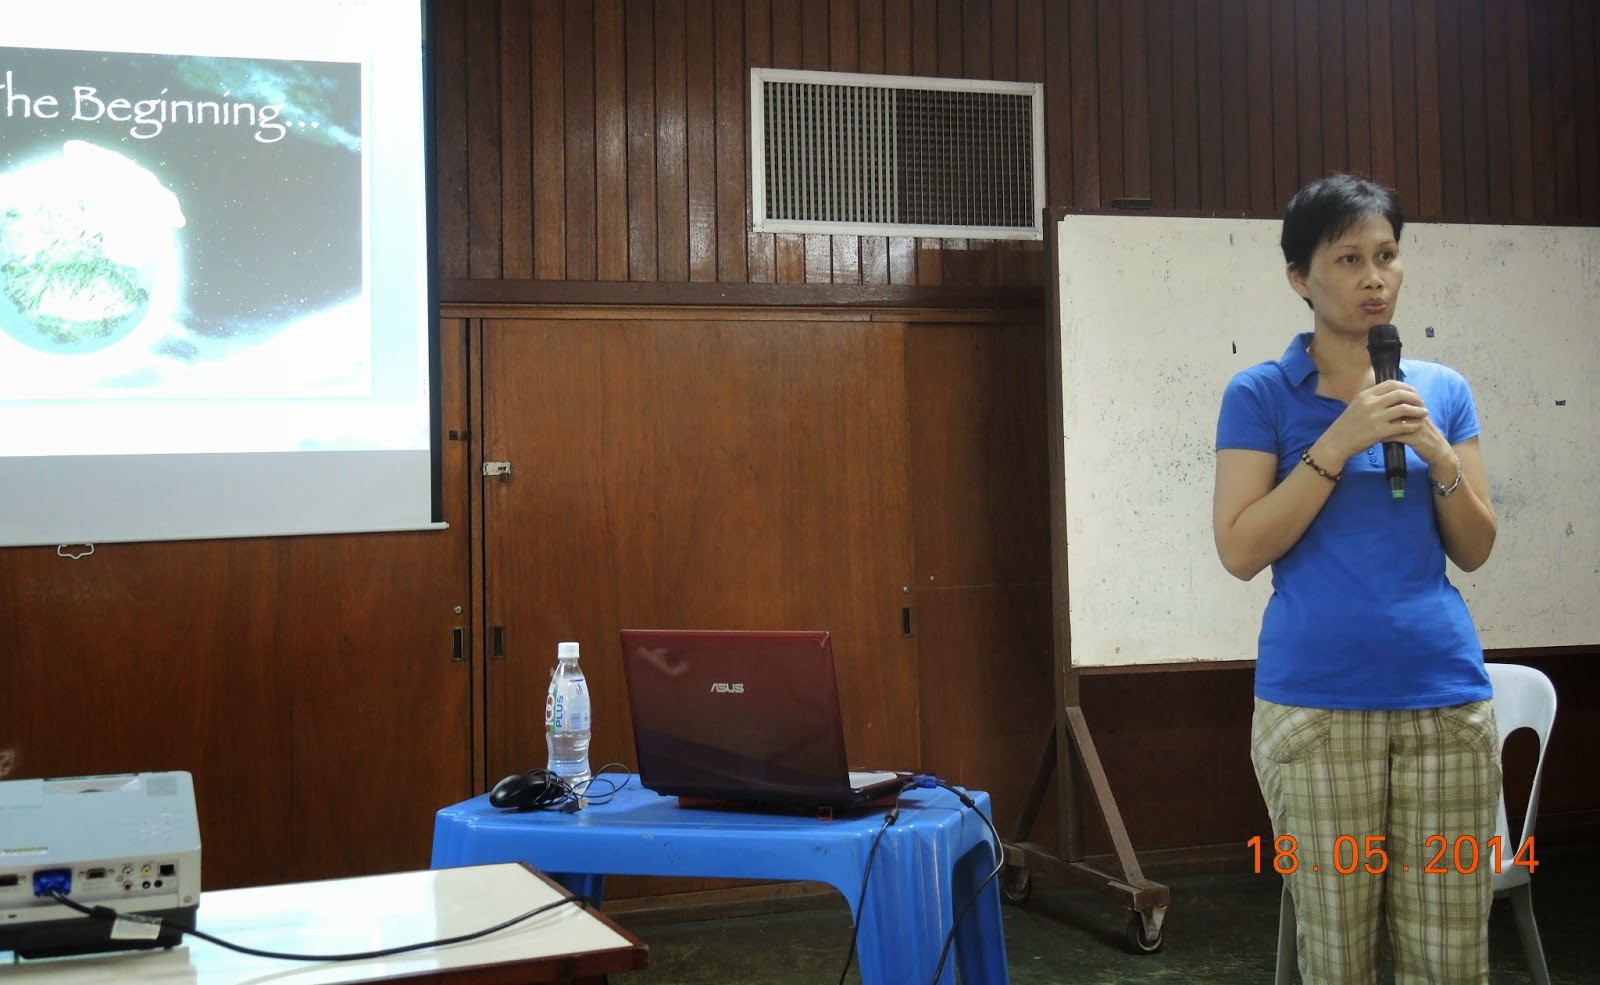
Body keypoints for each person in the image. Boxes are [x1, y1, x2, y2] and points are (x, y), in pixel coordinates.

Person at [1212, 173, 1501, 984]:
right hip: (1317, 711)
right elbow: (1240, 549)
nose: (1375, 278)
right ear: (1299, 277)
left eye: (1387, 255)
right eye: (1348, 259)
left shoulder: (1442, 390)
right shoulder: (1260, 394)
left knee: (1449, 958)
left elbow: (1476, 547)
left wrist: (1438, 454)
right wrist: (1339, 440)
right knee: (1338, 956)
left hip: (1445, 703)